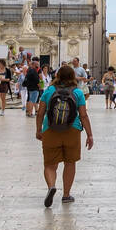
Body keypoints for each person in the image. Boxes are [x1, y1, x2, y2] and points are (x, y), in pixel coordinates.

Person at [37, 64, 94, 206]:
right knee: (70, 162)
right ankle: (66, 195)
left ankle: (51, 186)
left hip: (50, 129)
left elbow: (40, 112)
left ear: (57, 76)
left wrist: (39, 130)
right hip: (72, 130)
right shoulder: (78, 92)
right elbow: (83, 115)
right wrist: (89, 135)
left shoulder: (49, 90)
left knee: (50, 164)